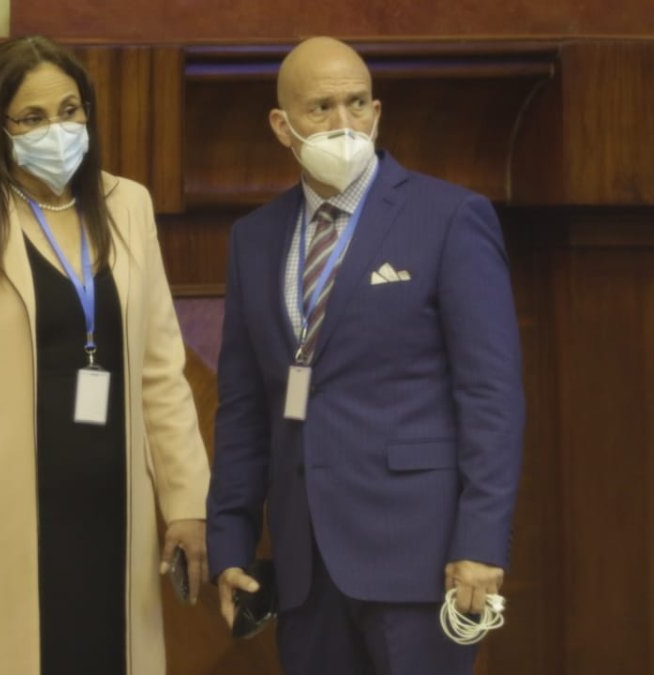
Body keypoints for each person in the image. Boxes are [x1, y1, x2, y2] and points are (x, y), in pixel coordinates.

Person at [207, 37, 525, 675]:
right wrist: (231, 544)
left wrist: (482, 541)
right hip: (305, 565)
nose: (344, 123)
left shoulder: (450, 217)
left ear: (378, 113)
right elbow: (243, 408)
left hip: (421, 559)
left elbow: (491, 393)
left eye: (357, 104)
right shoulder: (254, 238)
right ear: (283, 127)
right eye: (321, 108)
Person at [0, 35, 211, 675]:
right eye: (33, 118)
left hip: (111, 500)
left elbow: (161, 371)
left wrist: (186, 502)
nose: (57, 130)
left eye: (70, 112)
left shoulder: (128, 204)